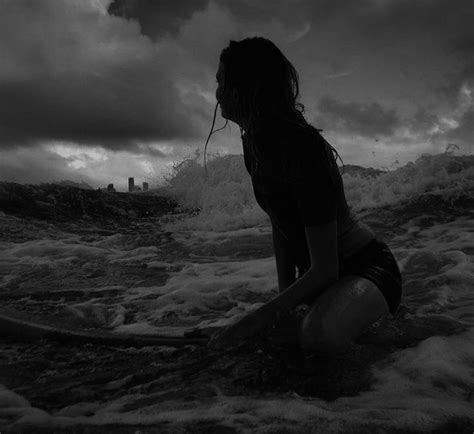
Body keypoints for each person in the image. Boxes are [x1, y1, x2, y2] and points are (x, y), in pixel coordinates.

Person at [207, 37, 402, 354]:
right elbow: (280, 225)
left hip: (365, 270)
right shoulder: (254, 144)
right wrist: (282, 305)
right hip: (325, 280)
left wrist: (249, 324)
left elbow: (326, 268)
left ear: (246, 86)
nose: (216, 93)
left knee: (317, 336)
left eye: (221, 81)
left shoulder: (301, 148)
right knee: (282, 334)